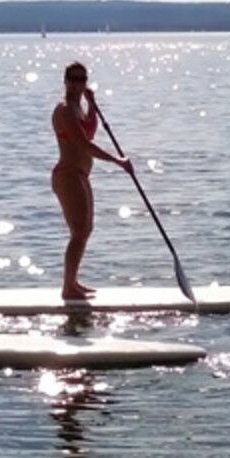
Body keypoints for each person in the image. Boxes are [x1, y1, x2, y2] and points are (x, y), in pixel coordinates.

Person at [50, 62, 132, 300]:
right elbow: (83, 143)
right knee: (78, 231)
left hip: (81, 175)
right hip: (68, 174)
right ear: (66, 81)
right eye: (74, 79)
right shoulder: (65, 110)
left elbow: (90, 131)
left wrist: (92, 105)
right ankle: (68, 286)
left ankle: (73, 281)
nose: (78, 84)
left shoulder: (79, 107)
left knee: (85, 229)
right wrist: (118, 161)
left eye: (82, 79)